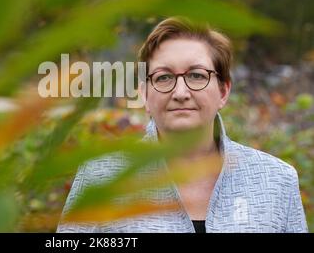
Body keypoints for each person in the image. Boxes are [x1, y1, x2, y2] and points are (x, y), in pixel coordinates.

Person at [57, 17, 308, 233]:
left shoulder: (277, 181)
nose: (180, 92)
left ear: (223, 90)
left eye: (196, 76)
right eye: (164, 77)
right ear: (144, 94)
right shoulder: (101, 178)